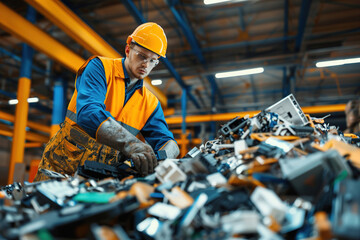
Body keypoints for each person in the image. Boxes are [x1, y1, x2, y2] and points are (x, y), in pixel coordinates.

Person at [34, 22, 179, 181]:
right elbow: (89, 113)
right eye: (142, 56)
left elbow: (167, 142)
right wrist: (131, 144)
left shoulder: (150, 103)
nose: (146, 64)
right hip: (60, 170)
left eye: (153, 61)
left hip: (100, 179)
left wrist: (161, 158)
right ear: (128, 49)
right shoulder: (100, 68)